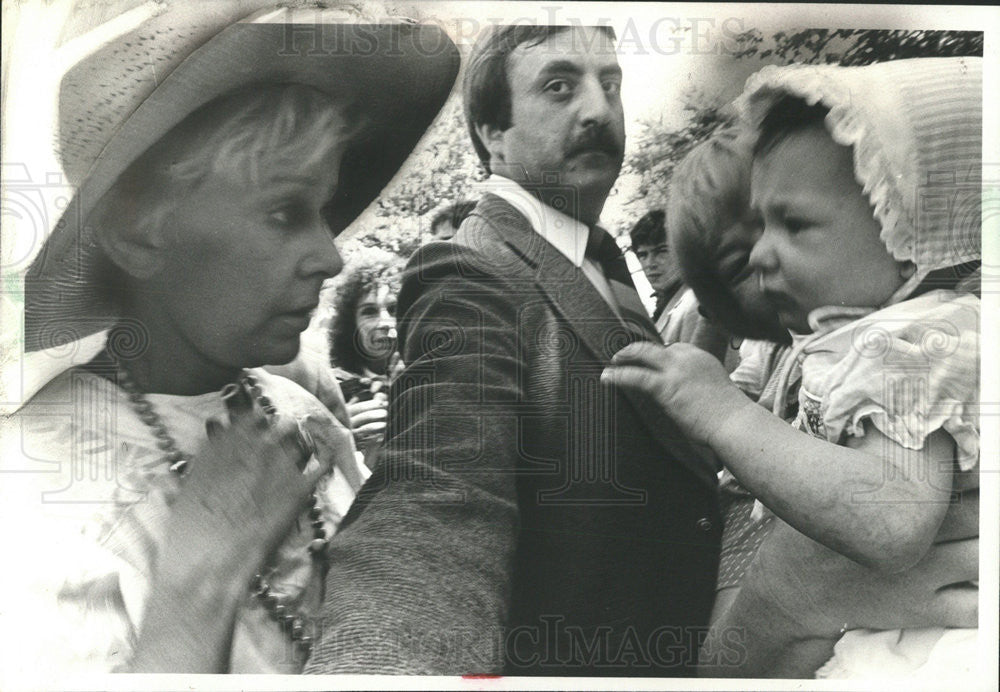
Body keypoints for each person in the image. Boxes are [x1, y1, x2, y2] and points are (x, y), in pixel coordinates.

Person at [1, 4, 458, 677]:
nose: (329, 258)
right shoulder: (39, 479)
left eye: (325, 212)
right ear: (137, 232)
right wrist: (197, 593)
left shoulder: (300, 418)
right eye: (284, 211)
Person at [305, 25, 720, 676]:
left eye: (609, 84)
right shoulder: (469, 272)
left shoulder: (597, 258)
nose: (598, 109)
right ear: (492, 134)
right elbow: (436, 503)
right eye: (559, 86)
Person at [604, 57, 981, 679]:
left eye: (794, 223)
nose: (760, 254)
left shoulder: (909, 342)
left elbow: (891, 520)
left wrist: (723, 413)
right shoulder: (869, 339)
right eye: (758, 227)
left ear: (910, 231)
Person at [326, 247, 405, 468]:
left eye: (393, 308)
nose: (384, 322)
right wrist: (341, 438)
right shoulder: (332, 387)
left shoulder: (429, 372)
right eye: (369, 312)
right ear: (351, 324)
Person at [628, 209, 693, 342]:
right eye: (643, 255)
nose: (650, 264)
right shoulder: (665, 301)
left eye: (661, 251)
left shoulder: (696, 305)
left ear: (684, 251)